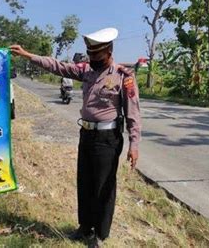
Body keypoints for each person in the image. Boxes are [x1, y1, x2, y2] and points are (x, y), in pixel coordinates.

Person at [10, 27, 141, 247]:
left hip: (108, 137)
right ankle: (84, 227)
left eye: (97, 55)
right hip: (86, 134)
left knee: (103, 185)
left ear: (109, 51)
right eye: (90, 54)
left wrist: (134, 144)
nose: (92, 59)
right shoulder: (86, 71)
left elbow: (133, 113)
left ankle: (99, 233)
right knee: (85, 181)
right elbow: (57, 66)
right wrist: (28, 55)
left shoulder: (123, 76)